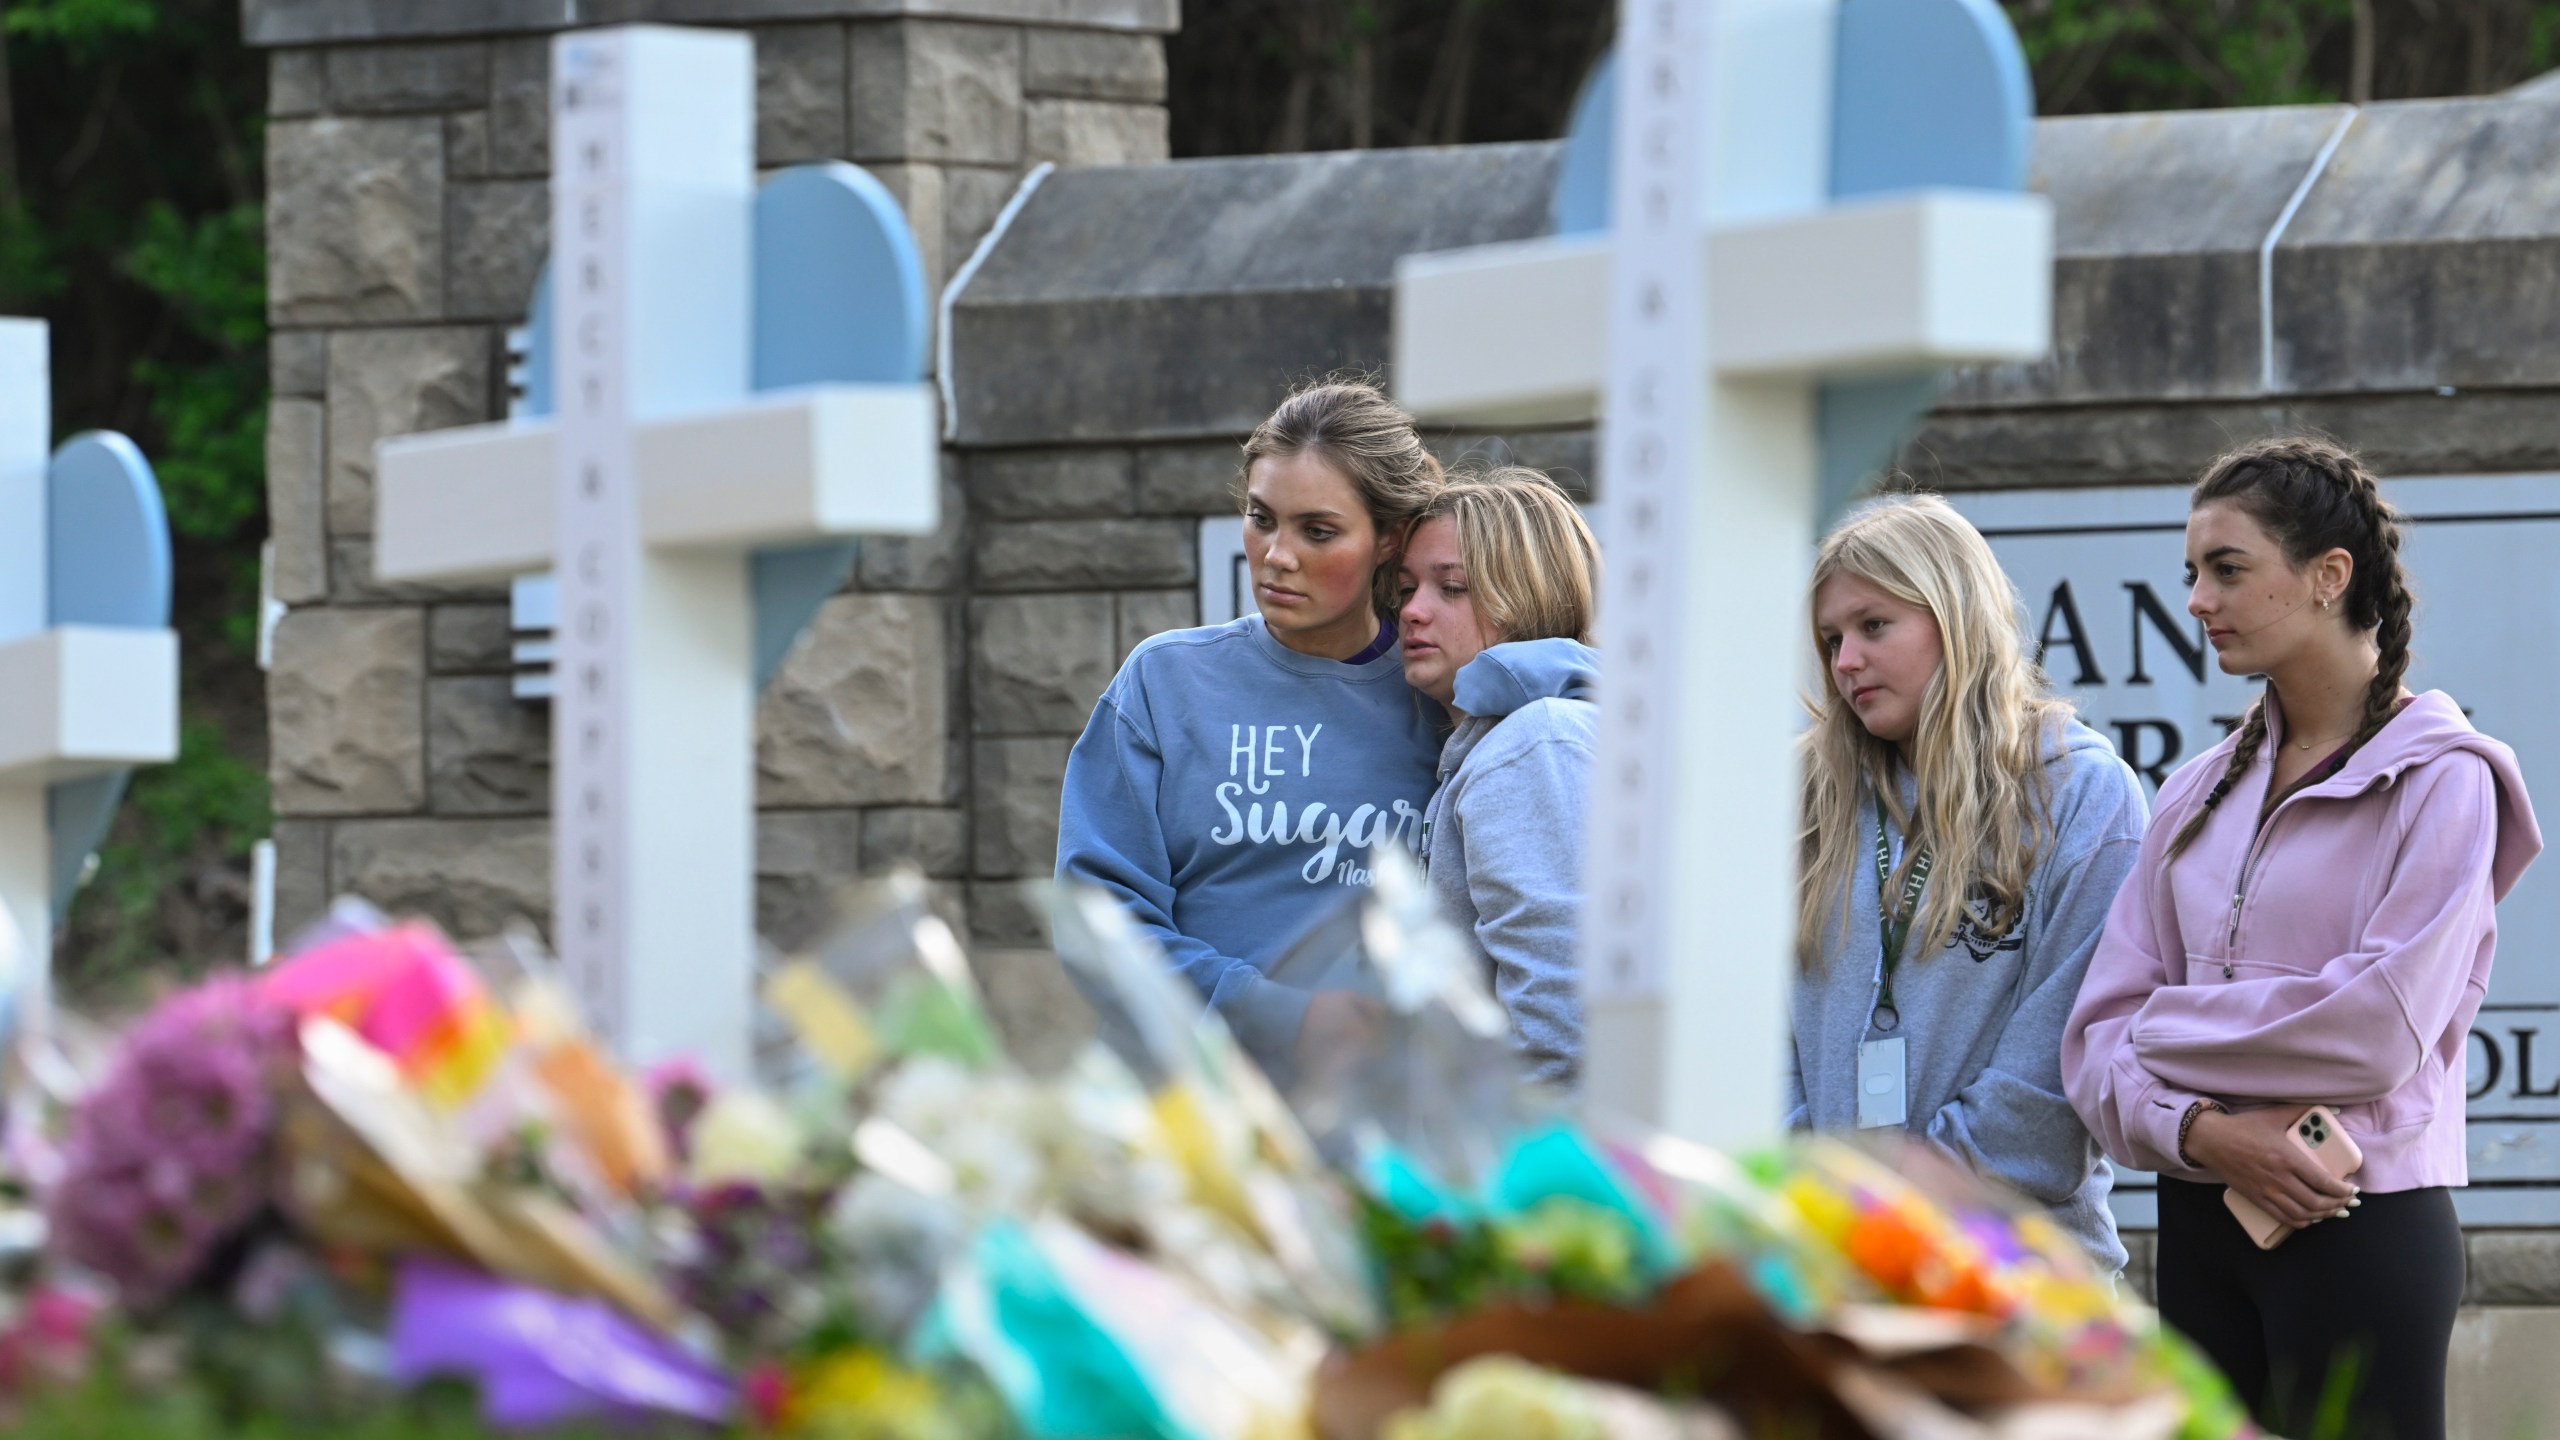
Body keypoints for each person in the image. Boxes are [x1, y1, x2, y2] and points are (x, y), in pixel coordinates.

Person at [2064, 438, 2541, 1440]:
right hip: (2199, 1223)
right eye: (2190, 574)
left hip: (2357, 1224)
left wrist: (2163, 1031)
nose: (2198, 599)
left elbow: (2374, 1032)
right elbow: (2089, 1046)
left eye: (2227, 569)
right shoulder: (2194, 792)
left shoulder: (2444, 779)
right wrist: (2203, 1131)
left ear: (2329, 577)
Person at [1787, 495, 2146, 1273]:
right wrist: (1808, 1198)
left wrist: (1889, 1211)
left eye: (1874, 625)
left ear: (1955, 619)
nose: (1845, 660)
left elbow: (2054, 1078)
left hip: (2022, 1281)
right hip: (1824, 1272)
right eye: (1830, 638)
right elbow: (1757, 1033)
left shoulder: (2080, 794)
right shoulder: (1804, 796)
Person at [1056, 380, 1445, 1073]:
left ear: (1388, 538)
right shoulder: (1164, 682)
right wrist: (1282, 1017)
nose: (1277, 555)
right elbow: (1099, 924)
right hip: (1193, 1110)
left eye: (1317, 531)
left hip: (1382, 1118)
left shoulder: (1440, 695)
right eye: (1262, 518)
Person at [1394, 468, 1600, 1087]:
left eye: (1451, 588)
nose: (1412, 611)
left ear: (1530, 594)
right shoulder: (1511, 736)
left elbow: (1563, 1025)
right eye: (1404, 589)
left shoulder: (1532, 741)